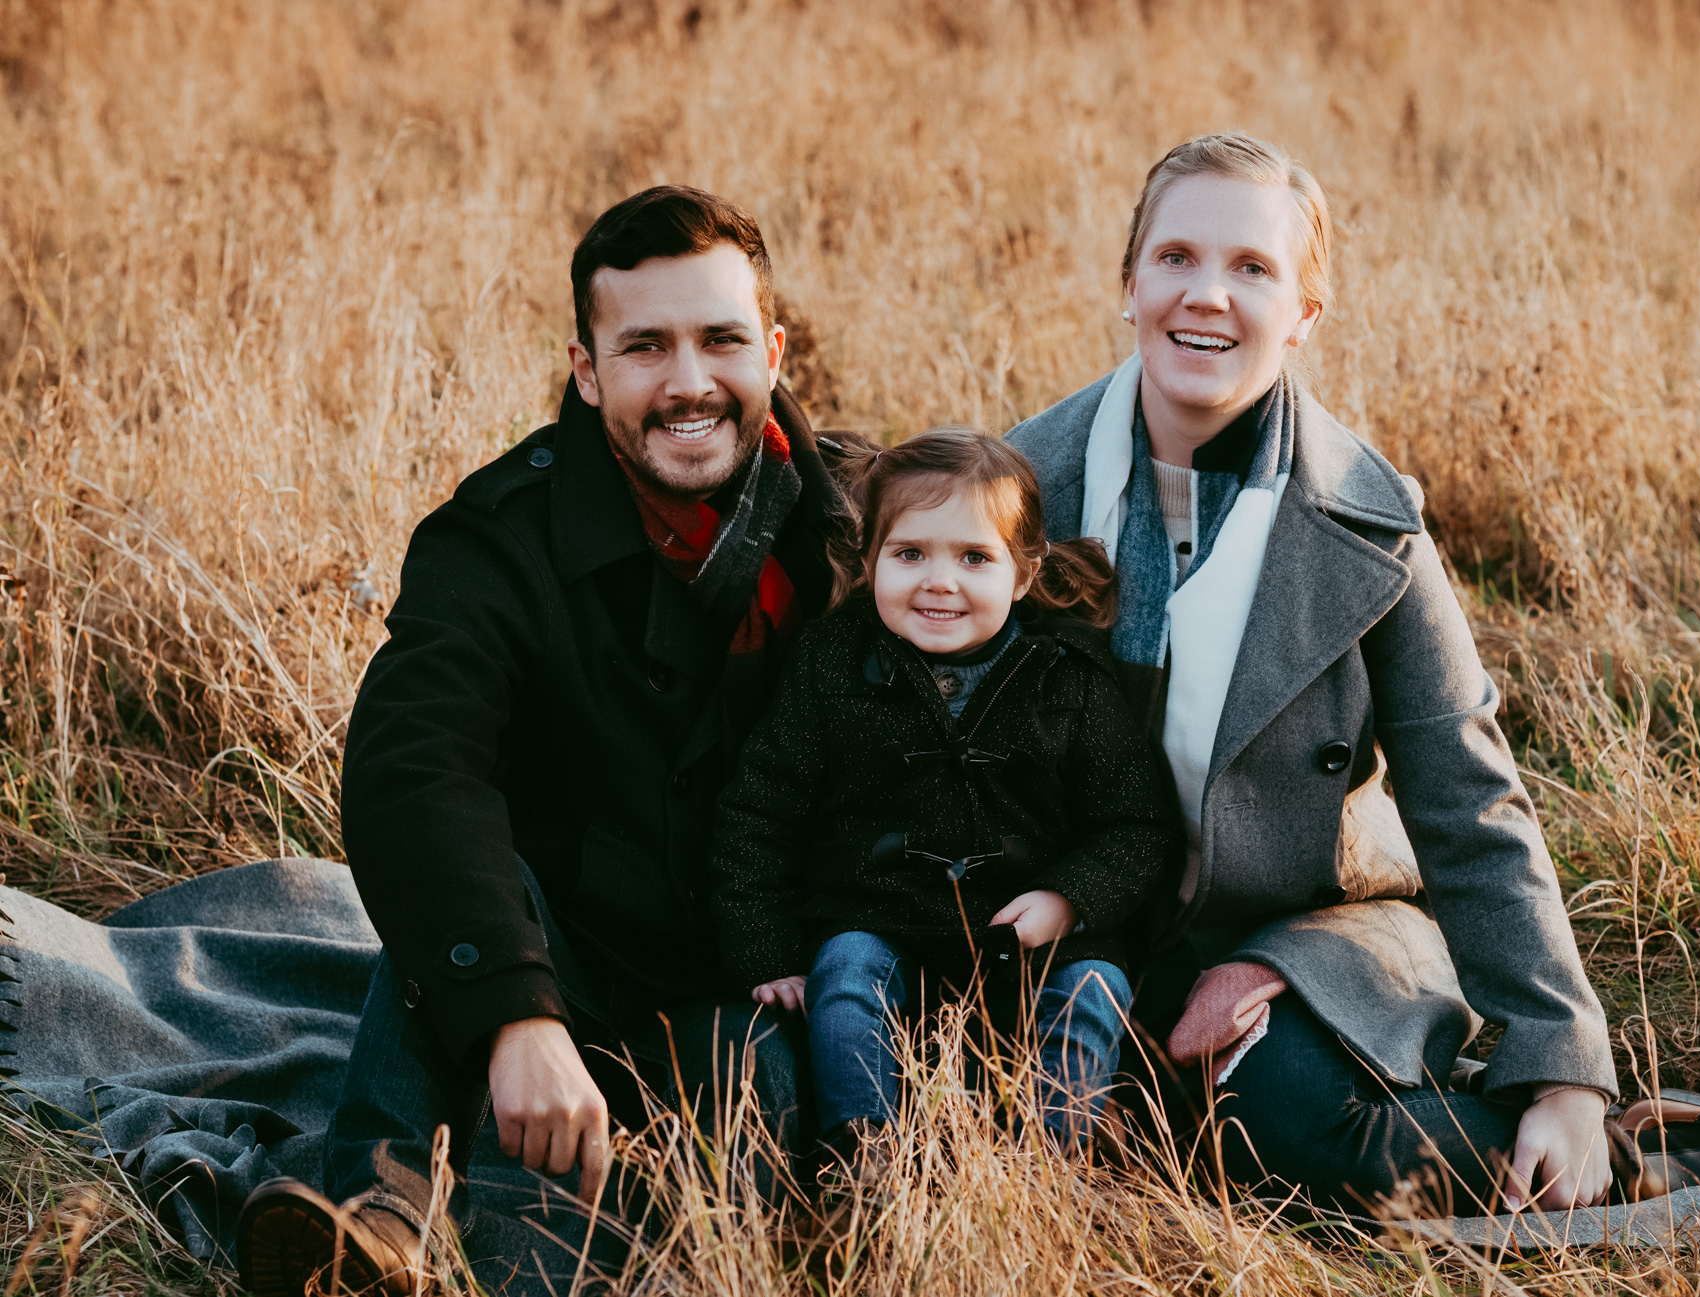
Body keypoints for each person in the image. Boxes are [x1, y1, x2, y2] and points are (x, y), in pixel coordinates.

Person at [236, 186, 849, 1297]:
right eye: (645, 347)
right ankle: (375, 1223)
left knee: (706, 1209)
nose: (688, 383)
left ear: (774, 347)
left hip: (755, 973)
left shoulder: (858, 523)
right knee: (460, 909)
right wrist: (519, 1013)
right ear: (586, 368)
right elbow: (413, 769)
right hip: (562, 940)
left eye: (719, 340)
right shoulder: (498, 537)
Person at [1005, 133, 1620, 1217]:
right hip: (1064, 925)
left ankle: (1652, 1152)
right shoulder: (1016, 488)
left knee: (1287, 1120)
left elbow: (1467, 794)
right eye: (1178, 257)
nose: (1207, 295)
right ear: (1130, 281)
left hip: (1309, 924)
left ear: (1306, 313)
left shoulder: (1371, 527)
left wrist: (1562, 1067)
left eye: (1254, 269)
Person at [710, 431, 1180, 1163]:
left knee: (1095, 987)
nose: (939, 581)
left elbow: (1137, 824)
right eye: (909, 554)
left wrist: (1068, 898)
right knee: (844, 974)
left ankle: (1051, 1164)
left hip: (1033, 940)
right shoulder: (831, 661)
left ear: (1023, 575)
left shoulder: (1070, 679)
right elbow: (758, 812)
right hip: (883, 920)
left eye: (973, 557)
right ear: (869, 561)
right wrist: (766, 949)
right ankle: (864, 1158)